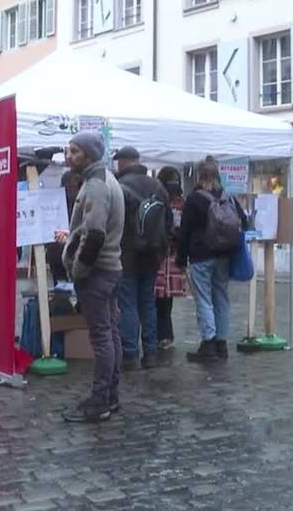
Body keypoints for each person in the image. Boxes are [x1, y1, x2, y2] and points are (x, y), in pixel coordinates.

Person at [60, 131, 125, 423]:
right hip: (109, 268)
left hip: (99, 271)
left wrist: (79, 269)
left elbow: (95, 233)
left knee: (101, 337)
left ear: (88, 154)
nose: (68, 156)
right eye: (69, 150)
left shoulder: (97, 184)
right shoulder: (103, 179)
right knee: (109, 333)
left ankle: (100, 400)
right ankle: (110, 395)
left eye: (74, 151)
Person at [177, 157, 243, 363]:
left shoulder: (194, 199)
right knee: (222, 298)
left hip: (201, 256)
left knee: (204, 300)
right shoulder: (228, 198)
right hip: (225, 255)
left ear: (199, 175)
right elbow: (244, 221)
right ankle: (222, 343)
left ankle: (209, 342)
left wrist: (181, 258)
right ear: (217, 175)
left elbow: (185, 231)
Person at [113, 147, 171, 371]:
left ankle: (129, 353)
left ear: (122, 163)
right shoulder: (157, 186)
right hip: (153, 255)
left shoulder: (119, 186)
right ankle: (151, 353)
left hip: (127, 254)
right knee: (148, 303)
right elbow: (167, 222)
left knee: (127, 304)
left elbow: (115, 221)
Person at [154, 167, 189, 349]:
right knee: (165, 299)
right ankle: (165, 334)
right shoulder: (180, 203)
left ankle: (161, 334)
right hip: (173, 255)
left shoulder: (156, 200)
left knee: (158, 298)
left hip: (161, 255)